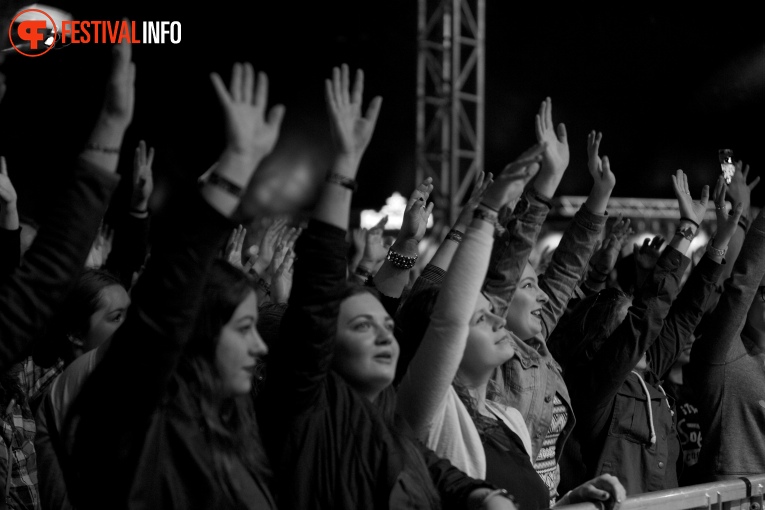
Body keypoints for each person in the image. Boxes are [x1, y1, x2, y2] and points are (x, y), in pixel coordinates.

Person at [256, 64, 515, 510]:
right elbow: (432, 313)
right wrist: (344, 167)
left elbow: (438, 473)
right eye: (361, 327)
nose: (385, 334)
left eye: (384, 326)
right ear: (322, 349)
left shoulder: (387, 424)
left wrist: (486, 496)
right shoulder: (306, 413)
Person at [63, 61, 285, 509]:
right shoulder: (133, 422)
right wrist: (231, 174)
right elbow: (164, 307)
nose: (261, 346)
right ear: (193, 333)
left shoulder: (226, 426)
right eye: (243, 329)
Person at [558, 171, 741, 494]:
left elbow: (687, 314)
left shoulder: (649, 372)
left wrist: (719, 243)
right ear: (605, 337)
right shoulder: (599, 387)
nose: (638, 326)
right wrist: (685, 231)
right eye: (624, 319)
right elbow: (647, 316)